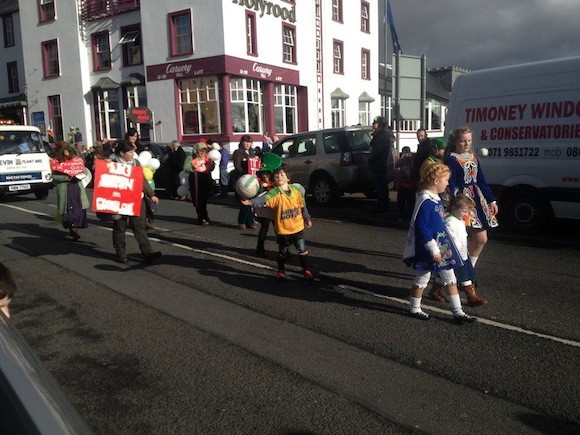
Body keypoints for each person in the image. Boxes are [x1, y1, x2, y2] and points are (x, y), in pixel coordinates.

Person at [402, 163, 475, 324]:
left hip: (443, 246)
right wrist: (433, 248)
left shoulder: (436, 199)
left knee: (450, 278)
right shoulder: (426, 200)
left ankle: (458, 312)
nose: (447, 183)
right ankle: (414, 309)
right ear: (436, 181)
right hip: (430, 248)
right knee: (423, 278)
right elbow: (422, 226)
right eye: (446, 180)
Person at [444, 126, 499, 286]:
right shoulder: (452, 159)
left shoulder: (474, 158)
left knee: (482, 238)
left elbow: (481, 180)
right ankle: (455, 277)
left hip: (477, 200)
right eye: (462, 141)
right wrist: (452, 204)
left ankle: (469, 271)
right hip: (462, 201)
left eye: (468, 140)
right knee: (459, 240)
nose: (466, 144)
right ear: (455, 142)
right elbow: (451, 183)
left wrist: (491, 200)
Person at [243, 167, 314, 281]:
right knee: (283, 252)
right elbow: (263, 199)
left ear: (288, 178)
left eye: (281, 175)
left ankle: (306, 270)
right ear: (274, 181)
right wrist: (251, 202)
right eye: (276, 176)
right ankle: (281, 270)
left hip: (297, 228)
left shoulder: (296, 191)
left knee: (302, 249)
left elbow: (302, 206)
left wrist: (307, 218)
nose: (279, 177)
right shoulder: (275, 193)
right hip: (283, 230)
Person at [430, 194, 488, 306]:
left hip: (461, 253)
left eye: (467, 211)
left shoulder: (460, 220)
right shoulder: (450, 222)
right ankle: (471, 297)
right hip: (452, 254)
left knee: (447, 274)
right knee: (462, 275)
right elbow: (446, 239)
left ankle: (435, 290)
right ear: (454, 208)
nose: (466, 214)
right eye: (464, 211)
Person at [110, 142, 162, 264]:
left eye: (133, 152)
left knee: (139, 226)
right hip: (119, 200)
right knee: (119, 226)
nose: (133, 154)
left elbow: (142, 180)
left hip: (136, 199)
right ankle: (121, 253)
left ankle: (148, 252)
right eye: (130, 152)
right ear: (122, 153)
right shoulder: (112, 163)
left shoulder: (136, 163)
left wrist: (151, 194)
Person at [51, 141, 89, 241]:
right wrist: (66, 178)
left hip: (76, 187)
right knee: (68, 209)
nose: (66, 152)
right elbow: (53, 177)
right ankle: (72, 228)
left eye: (68, 150)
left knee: (78, 207)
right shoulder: (56, 162)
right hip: (65, 189)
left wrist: (79, 176)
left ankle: (75, 226)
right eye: (64, 150)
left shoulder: (76, 160)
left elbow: (84, 171)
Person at [254, 153, 283, 257]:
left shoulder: (277, 181)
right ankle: (260, 247)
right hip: (265, 209)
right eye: (263, 173)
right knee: (264, 227)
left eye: (267, 173)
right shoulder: (260, 183)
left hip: (275, 207)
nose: (264, 175)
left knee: (278, 229)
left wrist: (269, 185)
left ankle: (283, 250)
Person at [183, 142, 215, 225]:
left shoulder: (206, 157)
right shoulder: (191, 157)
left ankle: (205, 216)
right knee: (198, 200)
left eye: (204, 150)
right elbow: (186, 168)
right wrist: (194, 166)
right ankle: (201, 217)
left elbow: (211, 168)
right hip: (196, 180)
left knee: (204, 199)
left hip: (205, 179)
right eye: (201, 150)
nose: (202, 152)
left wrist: (211, 163)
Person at [232, 135, 257, 229]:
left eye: (249, 142)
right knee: (244, 201)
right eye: (246, 142)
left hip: (252, 179)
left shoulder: (252, 152)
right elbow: (237, 166)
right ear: (242, 142)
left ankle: (250, 221)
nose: (247, 144)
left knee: (251, 202)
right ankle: (242, 221)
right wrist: (245, 173)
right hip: (243, 180)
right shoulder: (238, 152)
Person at [368, 116, 392, 213]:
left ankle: (382, 206)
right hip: (380, 165)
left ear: (380, 125)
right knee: (381, 186)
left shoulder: (381, 136)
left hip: (379, 165)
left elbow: (376, 151)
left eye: (375, 123)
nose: (373, 125)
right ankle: (382, 204)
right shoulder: (380, 135)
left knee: (381, 186)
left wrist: (370, 160)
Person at [394, 146, 416, 222]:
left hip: (404, 184)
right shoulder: (413, 158)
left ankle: (403, 216)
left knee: (402, 201)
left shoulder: (404, 158)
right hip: (410, 184)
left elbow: (396, 165)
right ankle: (410, 216)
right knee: (410, 202)